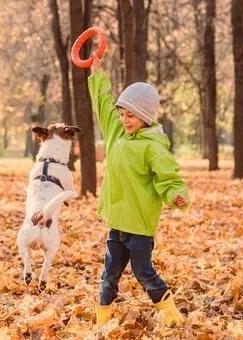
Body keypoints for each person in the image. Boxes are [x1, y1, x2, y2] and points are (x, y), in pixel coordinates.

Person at [88, 55, 189, 328]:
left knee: (143, 271)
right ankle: (102, 319)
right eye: (122, 114)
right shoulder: (116, 134)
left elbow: (168, 179)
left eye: (130, 115)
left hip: (140, 227)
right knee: (109, 274)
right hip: (116, 223)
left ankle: (172, 316)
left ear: (144, 115)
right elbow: (102, 105)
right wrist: (96, 74)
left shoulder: (153, 146)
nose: (124, 120)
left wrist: (176, 195)